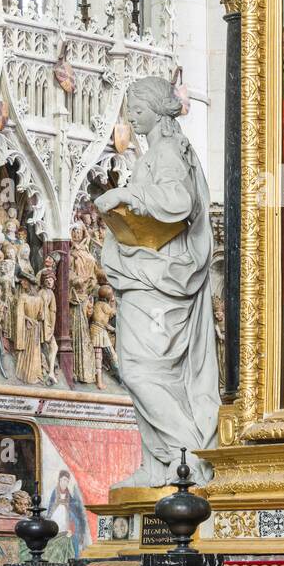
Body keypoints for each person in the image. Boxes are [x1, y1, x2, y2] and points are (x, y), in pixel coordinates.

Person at [94, 77, 221, 486]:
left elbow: (179, 202)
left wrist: (127, 197)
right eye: (129, 106)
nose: (131, 114)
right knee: (144, 371)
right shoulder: (160, 150)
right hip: (148, 276)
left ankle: (185, 456)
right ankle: (160, 462)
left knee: (140, 371)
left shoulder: (167, 150)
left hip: (160, 279)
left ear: (157, 109)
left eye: (138, 107)